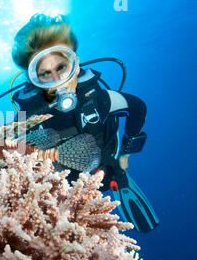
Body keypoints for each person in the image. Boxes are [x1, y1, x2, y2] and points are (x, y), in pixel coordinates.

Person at [10, 13, 159, 232]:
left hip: (106, 164)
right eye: (44, 74)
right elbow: (17, 157)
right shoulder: (27, 118)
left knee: (112, 175)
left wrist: (125, 154)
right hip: (63, 185)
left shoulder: (99, 99)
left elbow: (138, 107)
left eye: (62, 68)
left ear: (76, 65)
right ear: (33, 79)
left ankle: (120, 180)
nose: (56, 81)